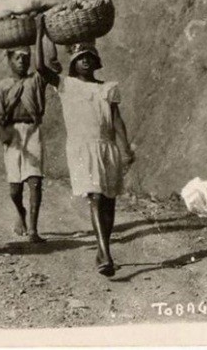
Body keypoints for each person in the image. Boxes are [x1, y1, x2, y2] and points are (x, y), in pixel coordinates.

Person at [34, 16, 134, 276]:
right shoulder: (66, 85)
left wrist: (125, 147)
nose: (85, 62)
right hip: (81, 148)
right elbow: (41, 68)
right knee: (95, 197)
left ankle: (103, 248)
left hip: (107, 147)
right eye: (80, 59)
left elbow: (116, 120)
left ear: (96, 61)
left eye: (89, 57)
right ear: (73, 64)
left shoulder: (108, 88)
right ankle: (106, 254)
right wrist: (39, 34)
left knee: (109, 202)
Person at [0, 45, 60, 243]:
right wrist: (3, 133)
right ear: (9, 60)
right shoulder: (2, 86)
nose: (22, 62)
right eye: (17, 58)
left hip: (33, 131)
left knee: (35, 182)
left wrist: (42, 35)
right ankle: (21, 212)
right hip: (12, 135)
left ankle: (34, 230)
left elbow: (48, 64)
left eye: (25, 58)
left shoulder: (35, 80)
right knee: (15, 190)